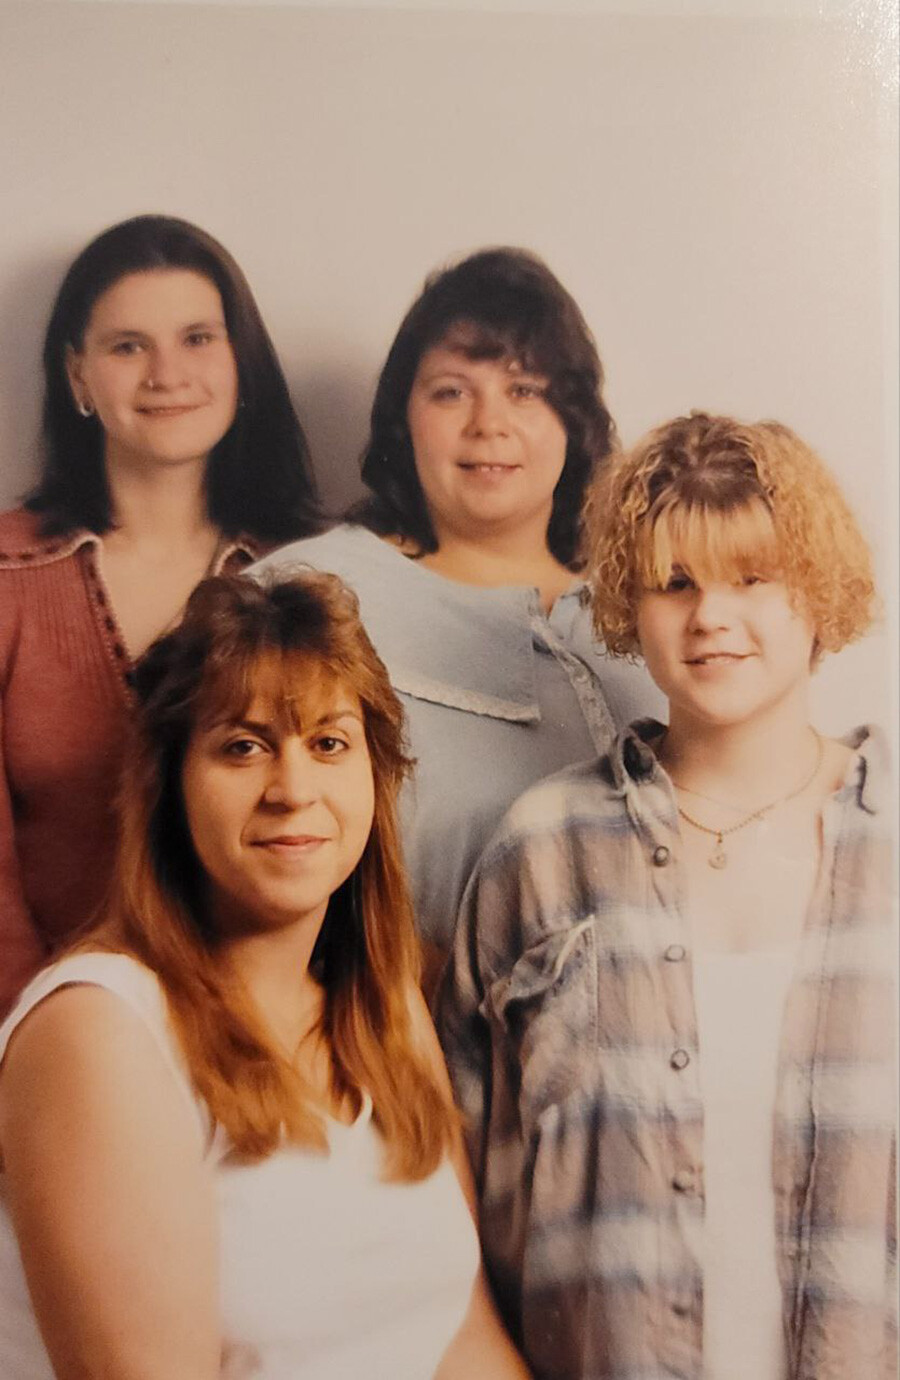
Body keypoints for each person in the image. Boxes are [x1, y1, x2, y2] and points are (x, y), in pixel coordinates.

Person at [438, 411, 896, 1380]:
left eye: (751, 577)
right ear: (628, 605)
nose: (710, 617)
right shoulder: (540, 852)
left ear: (818, 590)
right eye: (674, 582)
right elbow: (445, 1196)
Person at [0, 571, 530, 1380]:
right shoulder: (100, 1032)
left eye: (329, 743)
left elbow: (466, 1344)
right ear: (169, 785)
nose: (292, 790)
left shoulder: (384, 1010)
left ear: (376, 779)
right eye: (243, 746)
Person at [252, 247, 662, 957]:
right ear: (401, 417)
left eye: (525, 390)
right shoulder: (305, 597)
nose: (488, 423)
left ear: (574, 417)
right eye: (451, 391)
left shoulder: (661, 604)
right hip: (379, 1044)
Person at [0, 214, 322, 1012]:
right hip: (44, 1043)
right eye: (126, 346)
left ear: (241, 361)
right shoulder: (5, 575)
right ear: (77, 375)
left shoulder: (315, 579)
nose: (166, 373)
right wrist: (46, 1040)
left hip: (269, 1046)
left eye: (197, 339)